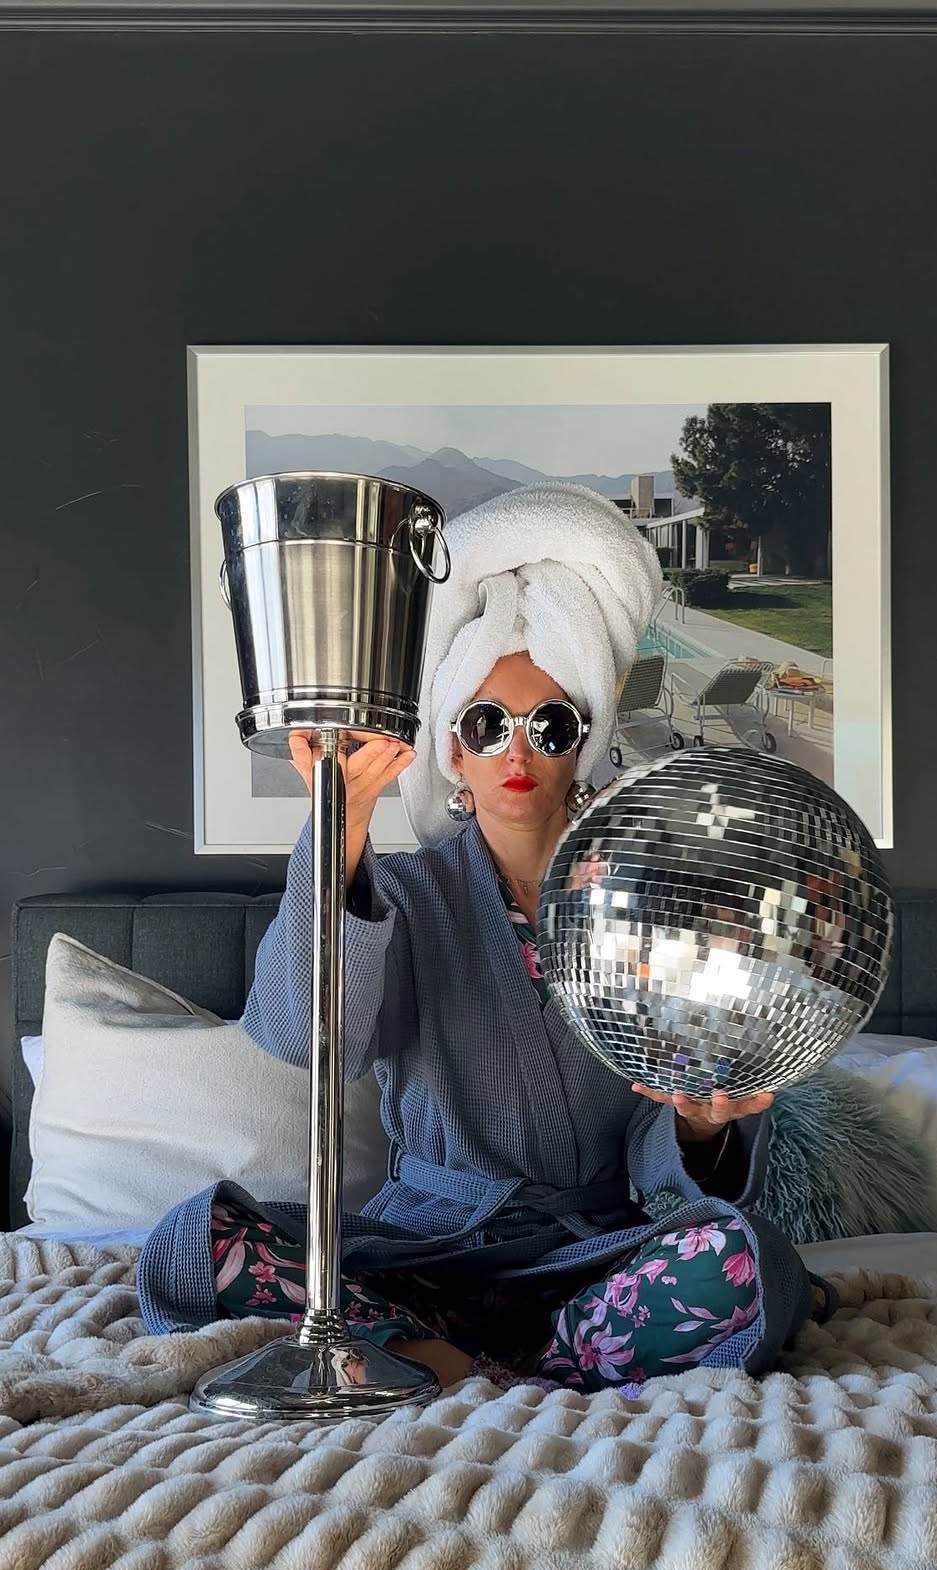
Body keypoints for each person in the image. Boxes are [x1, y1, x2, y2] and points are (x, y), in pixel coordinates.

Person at [138, 484, 821, 1395]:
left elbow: (660, 1139)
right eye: (487, 725)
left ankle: (487, 1366)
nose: (517, 753)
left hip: (589, 1257)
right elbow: (308, 1037)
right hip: (426, 1253)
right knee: (195, 1239)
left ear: (584, 742)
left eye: (551, 726)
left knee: (752, 1259)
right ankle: (473, 1353)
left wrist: (698, 1124)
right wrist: (339, 828)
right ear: (452, 749)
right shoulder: (402, 893)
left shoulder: (647, 907)